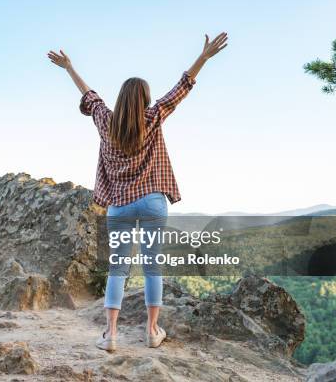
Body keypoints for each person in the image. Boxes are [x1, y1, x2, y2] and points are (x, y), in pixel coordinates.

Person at [47, 32, 228, 351]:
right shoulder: (153, 116)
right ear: (144, 99)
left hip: (119, 206)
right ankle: (152, 331)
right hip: (153, 203)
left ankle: (111, 335)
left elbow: (89, 95)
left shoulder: (105, 122)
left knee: (117, 269)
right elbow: (181, 89)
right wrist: (204, 58)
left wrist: (69, 67)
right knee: (151, 267)